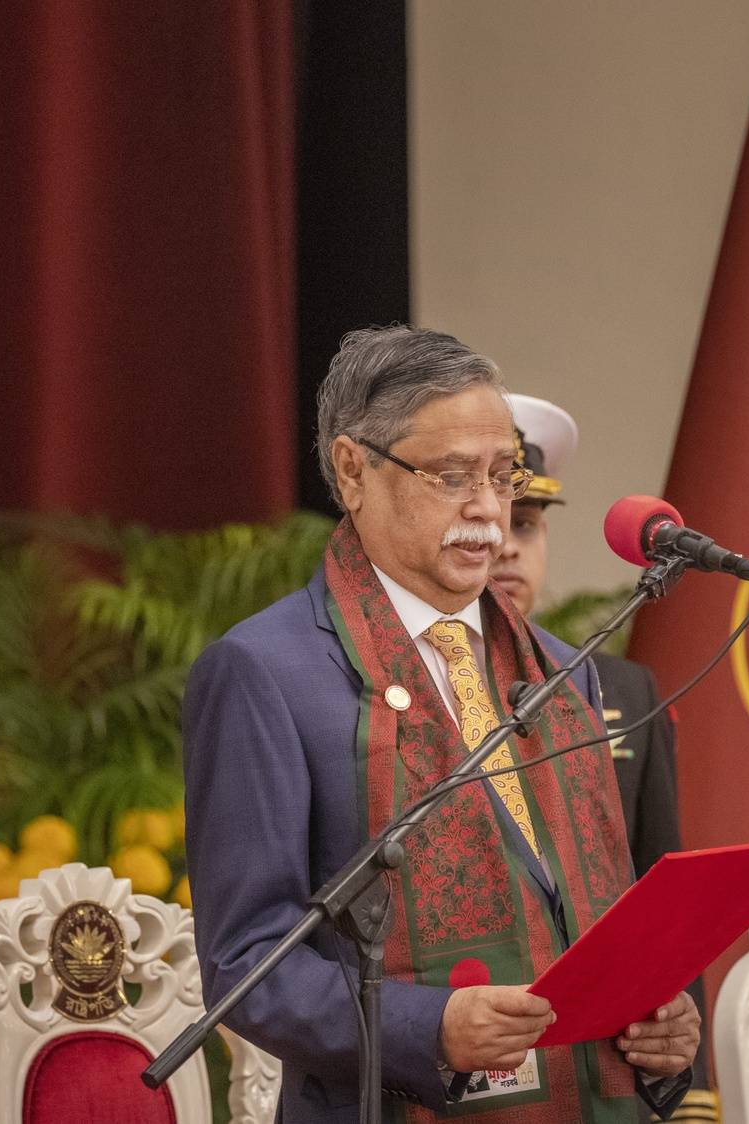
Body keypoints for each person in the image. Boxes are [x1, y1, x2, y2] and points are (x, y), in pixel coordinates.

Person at [183, 326, 699, 1122]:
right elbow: (249, 967)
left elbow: (593, 922)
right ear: (354, 470)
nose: (488, 511)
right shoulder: (268, 673)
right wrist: (433, 1027)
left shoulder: (564, 671)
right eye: (453, 477)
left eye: (503, 477)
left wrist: (658, 1031)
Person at [491, 392, 720, 1121]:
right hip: (478, 1046)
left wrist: (690, 1081)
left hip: (607, 1064)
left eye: (525, 525)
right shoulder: (408, 688)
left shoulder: (618, 687)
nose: (507, 548)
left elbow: (662, 887)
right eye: (491, 524)